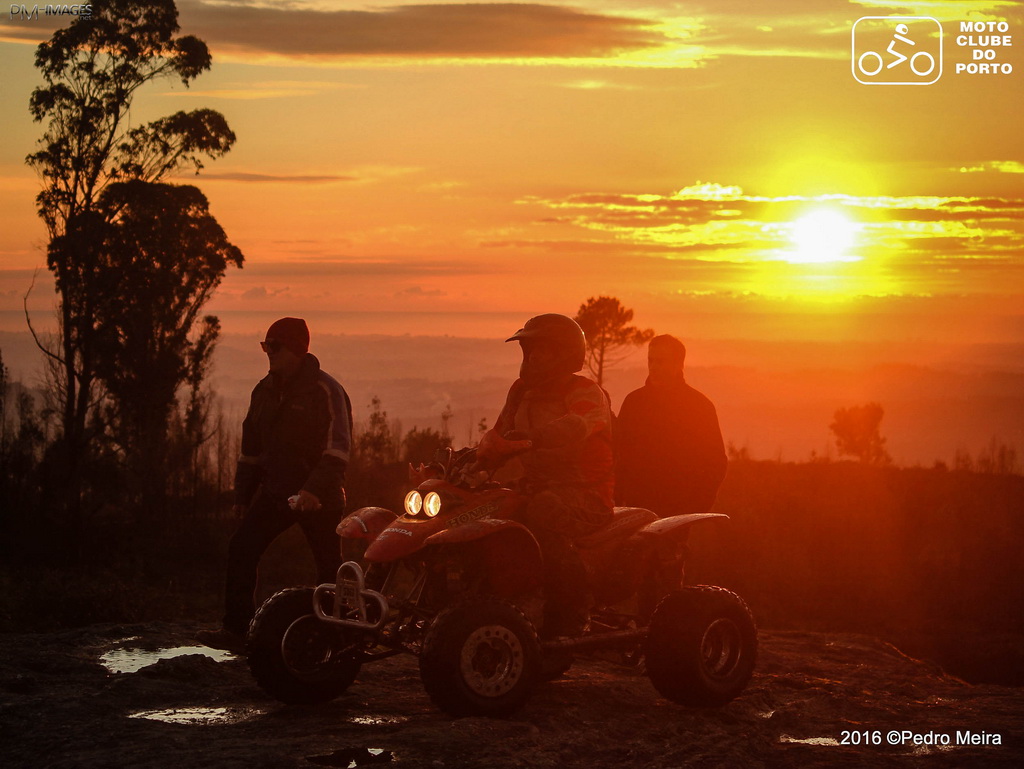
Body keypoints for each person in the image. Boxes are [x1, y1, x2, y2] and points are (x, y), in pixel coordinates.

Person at [198, 317, 353, 652]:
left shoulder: (326, 390)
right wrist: (242, 495)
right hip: (277, 492)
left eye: (275, 345)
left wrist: (312, 490)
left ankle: (337, 636)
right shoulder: (263, 391)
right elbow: (251, 450)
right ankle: (237, 631)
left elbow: (338, 450)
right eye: (265, 345)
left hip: (320, 498)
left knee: (329, 566)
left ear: (296, 349)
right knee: (242, 548)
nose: (268, 351)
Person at [475, 314, 614, 638]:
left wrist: (536, 437)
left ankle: (572, 612)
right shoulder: (520, 391)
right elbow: (501, 433)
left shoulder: (586, 391)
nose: (534, 357)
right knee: (485, 508)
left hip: (585, 494)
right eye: (530, 350)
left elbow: (578, 424)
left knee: (543, 510)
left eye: (543, 350)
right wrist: (472, 458)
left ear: (564, 354)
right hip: (533, 487)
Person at [616, 334, 726, 517]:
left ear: (678, 364)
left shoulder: (699, 407)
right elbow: (618, 453)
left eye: (660, 361)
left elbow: (716, 462)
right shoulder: (633, 402)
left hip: (679, 513)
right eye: (650, 360)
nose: (653, 367)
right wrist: (618, 500)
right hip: (636, 508)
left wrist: (696, 507)